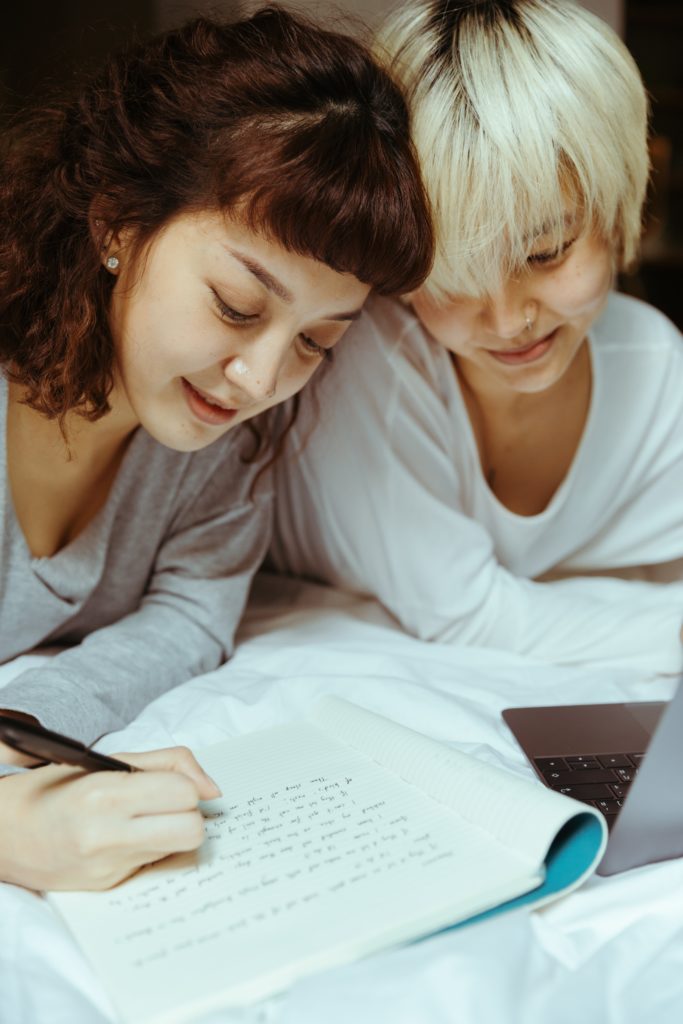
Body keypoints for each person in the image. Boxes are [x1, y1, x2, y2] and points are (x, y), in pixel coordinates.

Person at [0, 6, 433, 890]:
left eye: (316, 342)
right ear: (117, 223)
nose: (261, 378)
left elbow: (192, 615)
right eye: (237, 306)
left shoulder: (217, 449)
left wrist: (26, 726)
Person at [271, 0, 683, 673]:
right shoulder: (376, 355)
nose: (505, 320)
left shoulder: (651, 362)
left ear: (616, 210)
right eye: (447, 278)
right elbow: (464, 614)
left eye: (544, 253)